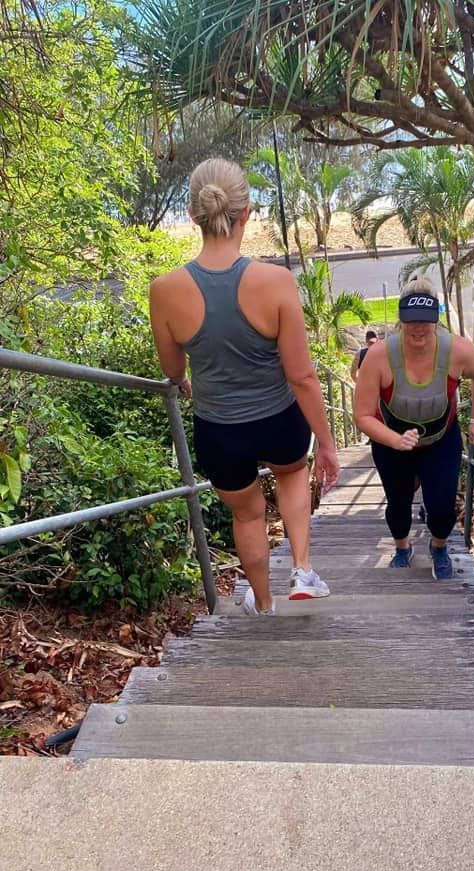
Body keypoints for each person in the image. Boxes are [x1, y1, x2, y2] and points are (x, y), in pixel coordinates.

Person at [149, 157, 340, 616]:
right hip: (279, 420)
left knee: (248, 514)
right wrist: (329, 445)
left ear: (194, 216)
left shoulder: (165, 289)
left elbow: (173, 369)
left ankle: (265, 602)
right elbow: (302, 376)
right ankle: (302, 569)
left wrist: (187, 382)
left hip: (218, 430)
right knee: (293, 473)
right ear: (246, 213)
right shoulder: (275, 282)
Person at [353, 276, 474, 579]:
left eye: (425, 322)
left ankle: (439, 546)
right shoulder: (378, 356)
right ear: (401, 320)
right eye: (411, 321)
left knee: (441, 506)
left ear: (436, 320)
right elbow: (361, 415)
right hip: (392, 443)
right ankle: (403, 548)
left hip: (441, 439)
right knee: (398, 503)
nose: (418, 329)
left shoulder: (456, 350)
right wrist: (394, 439)